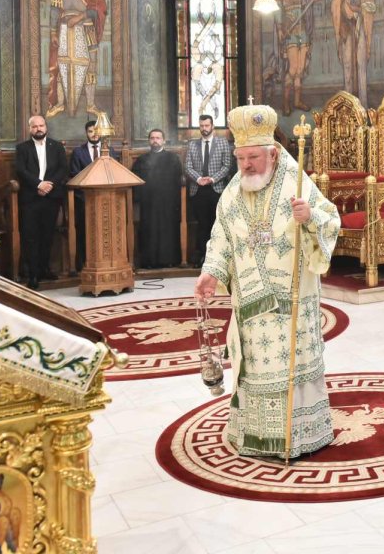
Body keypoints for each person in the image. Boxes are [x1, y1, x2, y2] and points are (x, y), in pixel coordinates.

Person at [193, 103, 340, 459]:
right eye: (240, 157)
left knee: (292, 371)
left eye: (253, 157)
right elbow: (221, 238)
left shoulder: (296, 180)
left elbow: (331, 219)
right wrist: (211, 272)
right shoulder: (231, 193)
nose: (245, 165)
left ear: (273, 154)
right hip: (250, 308)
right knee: (254, 371)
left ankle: (301, 434)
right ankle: (255, 435)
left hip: (291, 306)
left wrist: (309, 217)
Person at [46, 0, 107, 117]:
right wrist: (53, 33)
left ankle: (90, 104)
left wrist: (79, 17)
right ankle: (59, 103)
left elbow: (99, 9)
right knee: (62, 65)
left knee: (90, 68)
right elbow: (54, 11)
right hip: (65, 30)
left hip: (86, 29)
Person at [14, 115, 68, 289]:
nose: (39, 129)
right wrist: (38, 184)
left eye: (41, 125)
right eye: (35, 126)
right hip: (31, 198)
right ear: (30, 129)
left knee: (47, 236)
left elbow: (62, 169)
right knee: (31, 237)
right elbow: (21, 170)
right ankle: (33, 274)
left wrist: (48, 185)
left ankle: (45, 269)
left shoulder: (57, 146)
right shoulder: (22, 148)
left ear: (46, 127)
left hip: (51, 198)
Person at [186, 114, 233, 266]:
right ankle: (203, 258)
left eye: (207, 126)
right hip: (198, 190)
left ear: (212, 126)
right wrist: (199, 179)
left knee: (217, 224)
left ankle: (218, 258)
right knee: (202, 224)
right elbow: (188, 166)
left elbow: (226, 166)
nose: (204, 129)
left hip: (216, 189)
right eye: (201, 126)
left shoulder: (222, 143)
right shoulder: (192, 144)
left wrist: (212, 179)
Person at [132, 129, 183, 269]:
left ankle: (170, 260)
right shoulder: (142, 160)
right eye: (152, 138)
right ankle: (149, 262)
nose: (155, 140)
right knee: (149, 231)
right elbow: (135, 180)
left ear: (163, 140)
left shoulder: (173, 158)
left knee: (168, 231)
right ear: (149, 140)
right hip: (148, 204)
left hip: (168, 203)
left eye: (158, 138)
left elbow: (178, 180)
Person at [69, 119, 113, 270]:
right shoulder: (78, 152)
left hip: (107, 201)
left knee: (106, 233)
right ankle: (85, 264)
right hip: (84, 200)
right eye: (90, 131)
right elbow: (75, 175)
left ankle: (107, 263)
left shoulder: (109, 151)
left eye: (96, 131)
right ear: (86, 133)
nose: (94, 134)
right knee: (85, 233)